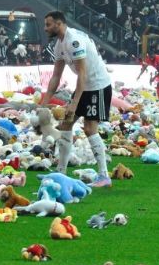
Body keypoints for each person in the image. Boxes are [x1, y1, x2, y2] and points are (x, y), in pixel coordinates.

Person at [40, 11, 113, 187]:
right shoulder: (59, 44)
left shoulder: (74, 41)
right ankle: (61, 172)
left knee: (89, 128)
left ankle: (104, 176)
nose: (45, 28)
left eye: (48, 24)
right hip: (85, 86)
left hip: (97, 86)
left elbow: (82, 73)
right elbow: (56, 76)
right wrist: (44, 102)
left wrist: (74, 104)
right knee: (65, 124)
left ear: (59, 24)